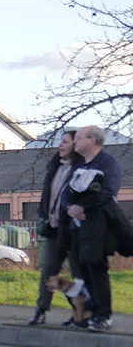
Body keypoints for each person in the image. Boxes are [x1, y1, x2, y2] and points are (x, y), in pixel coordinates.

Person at [65, 126, 128, 331]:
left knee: (96, 268)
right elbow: (68, 192)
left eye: (79, 138)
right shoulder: (79, 165)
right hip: (77, 228)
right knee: (82, 270)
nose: (75, 142)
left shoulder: (107, 163)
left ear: (92, 140)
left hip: (97, 227)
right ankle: (88, 313)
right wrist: (70, 208)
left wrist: (83, 208)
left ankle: (103, 315)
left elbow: (108, 191)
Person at [30, 131, 80, 326]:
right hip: (53, 228)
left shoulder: (80, 169)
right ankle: (41, 310)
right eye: (60, 141)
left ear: (75, 145)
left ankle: (79, 313)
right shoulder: (55, 167)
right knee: (48, 271)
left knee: (78, 273)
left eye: (66, 142)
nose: (61, 145)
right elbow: (48, 195)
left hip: (72, 231)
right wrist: (44, 214)